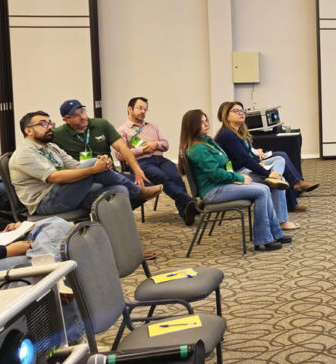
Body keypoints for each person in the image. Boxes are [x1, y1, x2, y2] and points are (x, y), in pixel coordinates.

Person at [9, 111, 162, 217]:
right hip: (45, 202)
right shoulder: (24, 153)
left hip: (62, 192)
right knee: (93, 163)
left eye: (50, 123)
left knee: (118, 191)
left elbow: (75, 165)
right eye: (43, 124)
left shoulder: (51, 147)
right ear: (29, 131)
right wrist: (94, 170)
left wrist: (102, 163)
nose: (49, 127)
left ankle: (124, 245)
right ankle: (137, 191)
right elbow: (55, 177)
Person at [179, 109, 291, 251]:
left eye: (206, 120)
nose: (206, 124)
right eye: (201, 122)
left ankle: (275, 233)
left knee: (265, 187)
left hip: (222, 184)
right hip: (213, 191)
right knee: (262, 191)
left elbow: (224, 166)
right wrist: (240, 178)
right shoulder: (198, 149)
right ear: (192, 125)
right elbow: (215, 174)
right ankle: (264, 239)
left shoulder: (206, 141)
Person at [0, 186, 72, 295]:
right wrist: (6, 251)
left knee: (56, 224)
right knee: (48, 258)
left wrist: (10, 227)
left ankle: (51, 282)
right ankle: (53, 284)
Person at [215, 101, 300, 231]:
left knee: (279, 159)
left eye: (242, 111)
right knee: (281, 179)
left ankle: (274, 180)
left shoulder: (237, 132)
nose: (241, 113)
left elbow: (248, 154)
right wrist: (267, 173)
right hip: (238, 174)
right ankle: (281, 221)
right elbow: (244, 159)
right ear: (226, 116)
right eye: (236, 111)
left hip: (245, 169)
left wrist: (259, 163)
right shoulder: (227, 134)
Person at [116, 97, 198, 225]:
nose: (143, 111)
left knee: (176, 176)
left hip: (160, 160)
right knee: (161, 176)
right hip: (141, 163)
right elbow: (119, 155)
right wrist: (141, 150)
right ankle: (190, 202)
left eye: (145, 109)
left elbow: (165, 144)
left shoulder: (152, 126)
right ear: (130, 109)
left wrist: (156, 144)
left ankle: (186, 212)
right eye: (140, 108)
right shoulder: (122, 130)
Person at [52, 99, 151, 193]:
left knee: (146, 184)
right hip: (84, 177)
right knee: (123, 190)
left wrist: (137, 170)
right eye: (75, 115)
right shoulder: (57, 134)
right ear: (66, 119)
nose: (82, 117)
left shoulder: (101, 124)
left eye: (82, 111)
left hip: (109, 173)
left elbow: (122, 147)